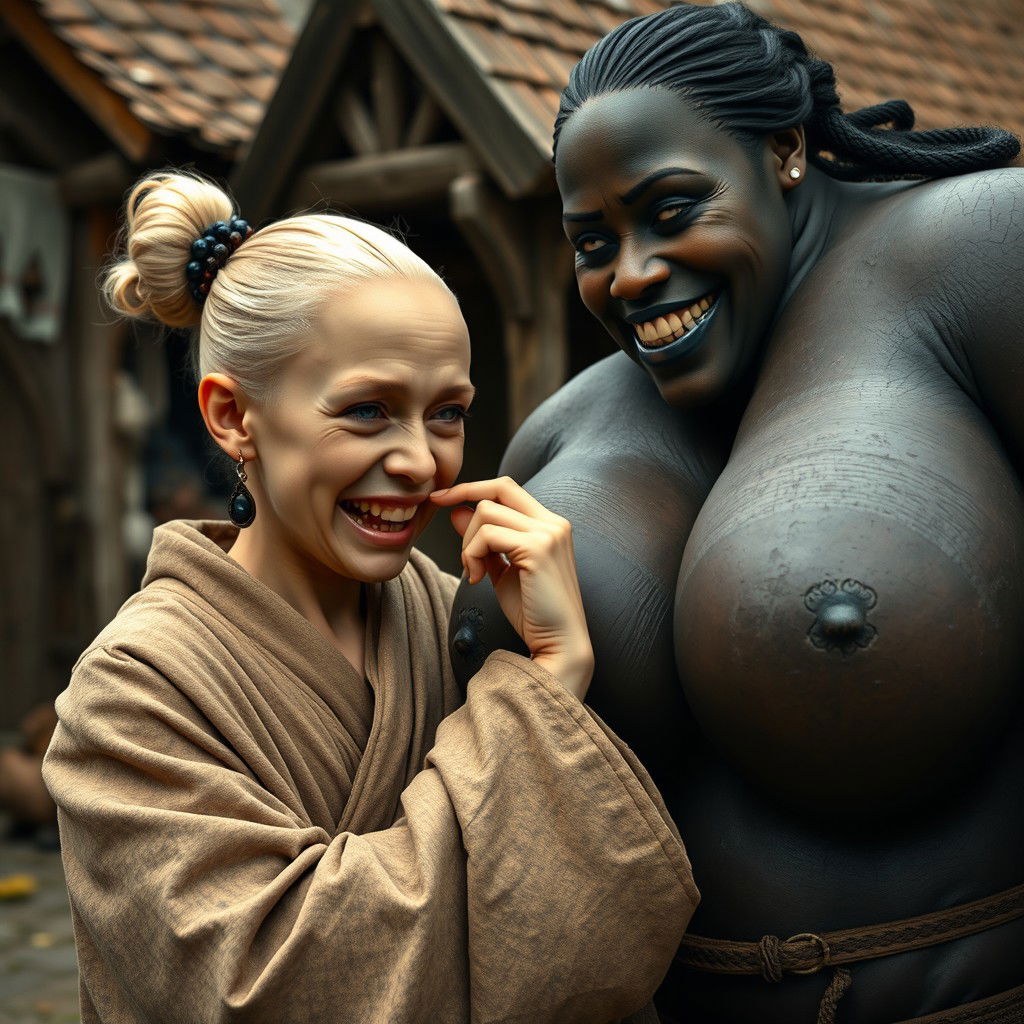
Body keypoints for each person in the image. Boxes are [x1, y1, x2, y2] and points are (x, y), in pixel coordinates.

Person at [445, 4, 1024, 1022]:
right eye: (592, 241)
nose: (629, 273)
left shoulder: (980, 252)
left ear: (786, 150)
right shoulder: (559, 434)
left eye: (671, 209)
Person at [42, 171, 700, 1024]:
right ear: (233, 417)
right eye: (367, 411)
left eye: (447, 414)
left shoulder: (455, 615)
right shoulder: (129, 695)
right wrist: (540, 694)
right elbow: (273, 988)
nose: (423, 462)